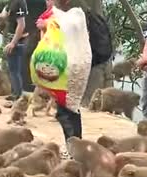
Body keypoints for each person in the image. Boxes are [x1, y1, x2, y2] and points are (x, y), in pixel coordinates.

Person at [32, 0, 91, 158]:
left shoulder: (76, 14)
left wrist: (47, 24)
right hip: (67, 67)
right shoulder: (62, 16)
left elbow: (67, 28)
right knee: (67, 110)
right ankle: (73, 146)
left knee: (67, 112)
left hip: (71, 68)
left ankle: (74, 148)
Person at [0, 0, 29, 101]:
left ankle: (18, 96)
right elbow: (4, 16)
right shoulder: (11, 3)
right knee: (12, 69)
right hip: (11, 39)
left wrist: (13, 43)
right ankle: (15, 93)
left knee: (15, 70)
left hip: (18, 41)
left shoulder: (19, 3)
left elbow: (21, 25)